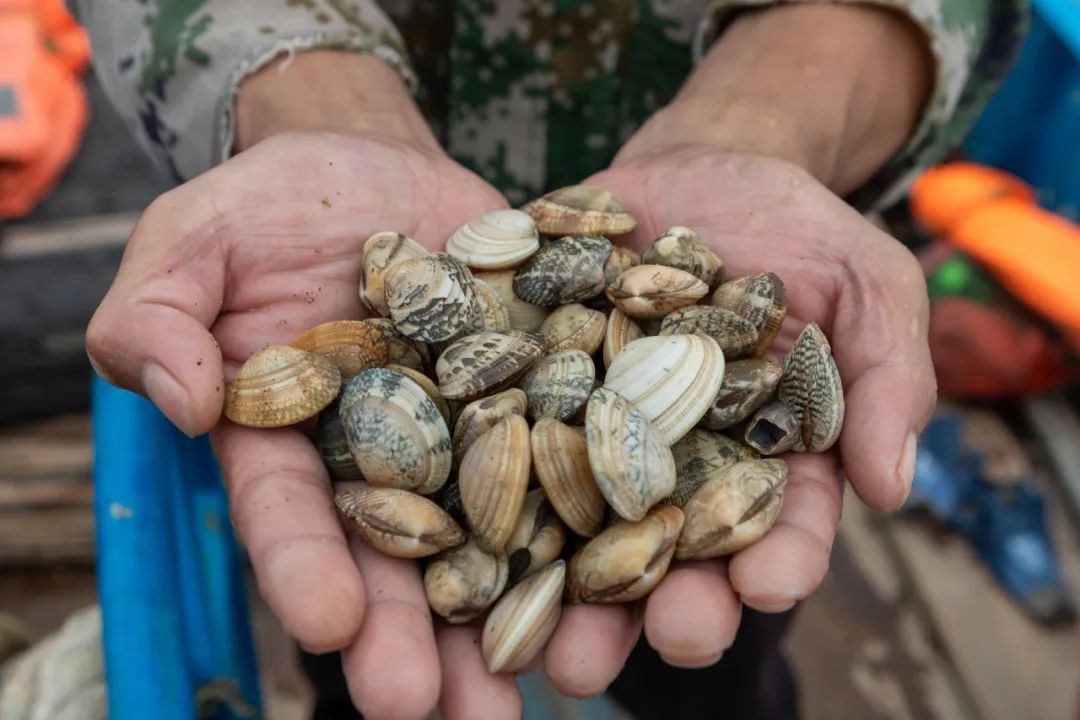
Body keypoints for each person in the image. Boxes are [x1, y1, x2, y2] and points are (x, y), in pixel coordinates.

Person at [78, 1, 1025, 718]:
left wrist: (767, 120)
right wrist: (304, 103)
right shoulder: (471, 371)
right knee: (365, 647)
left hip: (735, 202)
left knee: (715, 656)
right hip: (361, 234)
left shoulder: (642, 364)